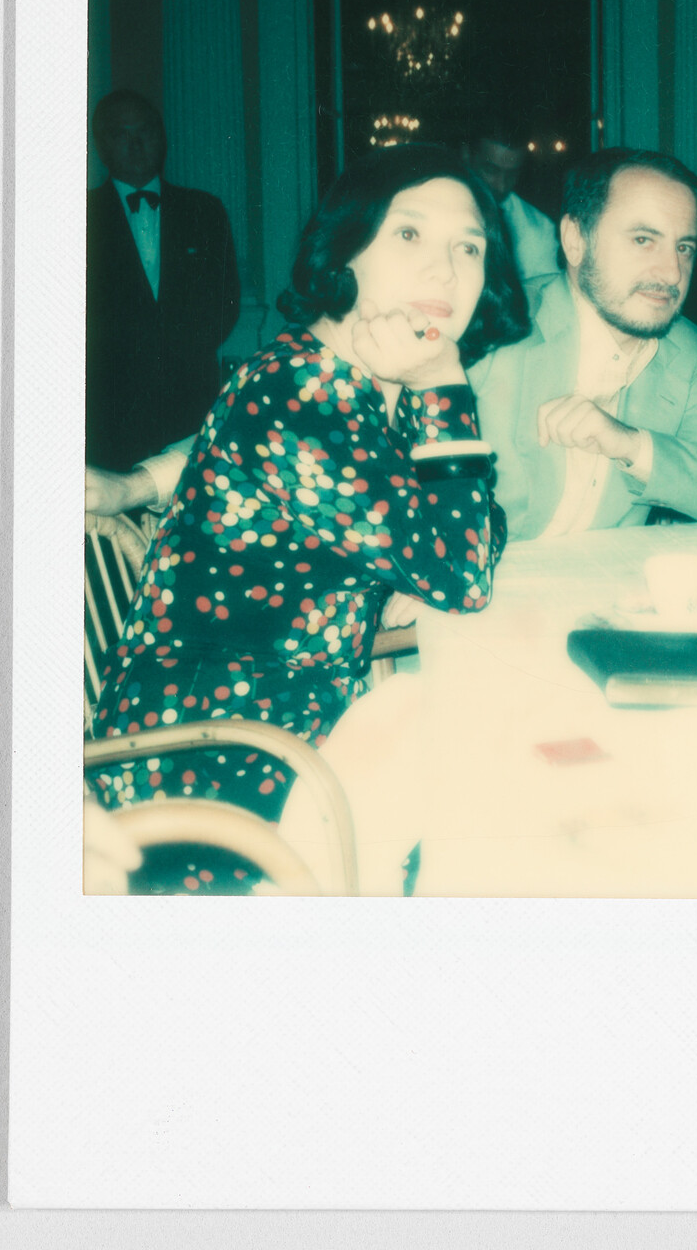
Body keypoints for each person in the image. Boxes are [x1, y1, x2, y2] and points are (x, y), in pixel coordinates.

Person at [86, 145, 529, 835]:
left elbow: (480, 520)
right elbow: (463, 571)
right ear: (344, 247)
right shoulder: (299, 395)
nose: (444, 267)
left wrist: (422, 552)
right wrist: (446, 380)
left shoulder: (374, 384)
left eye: (469, 248)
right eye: (408, 233)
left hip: (302, 732)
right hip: (210, 778)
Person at [467, 147, 697, 539]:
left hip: (608, 588)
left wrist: (631, 445)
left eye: (684, 248)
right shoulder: (496, 322)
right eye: (644, 239)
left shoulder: (686, 350)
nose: (671, 272)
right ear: (575, 239)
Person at [86, 90, 241, 472]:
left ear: (163, 137)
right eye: (122, 135)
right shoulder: (79, 217)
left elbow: (227, 301)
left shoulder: (204, 211)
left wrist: (178, 354)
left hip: (190, 402)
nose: (136, 144)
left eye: (146, 132)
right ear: (101, 145)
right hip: (111, 411)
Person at [460, 114, 560, 281]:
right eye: (491, 171)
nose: (501, 185)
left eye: (512, 174)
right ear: (467, 156)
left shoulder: (539, 230)